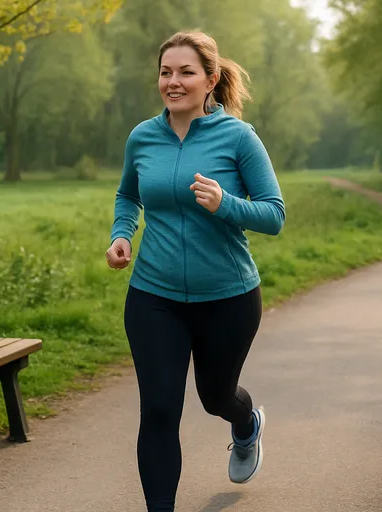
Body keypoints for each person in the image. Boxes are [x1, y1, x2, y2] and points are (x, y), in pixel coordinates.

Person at [105, 30, 286, 511]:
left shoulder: (238, 138)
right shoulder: (142, 137)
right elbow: (128, 195)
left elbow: (274, 214)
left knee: (215, 397)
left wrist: (225, 203)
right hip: (154, 295)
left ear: (211, 80)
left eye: (186, 72)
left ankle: (245, 425)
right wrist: (122, 233)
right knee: (160, 409)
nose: (173, 81)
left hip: (227, 297)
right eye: (166, 72)